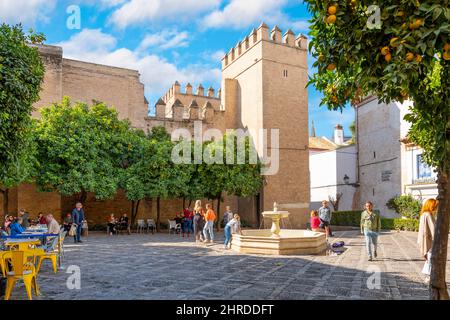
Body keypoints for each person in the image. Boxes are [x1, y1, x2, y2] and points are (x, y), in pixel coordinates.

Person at [417, 198, 438, 282]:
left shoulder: (423, 214)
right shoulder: (428, 215)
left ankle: (428, 275)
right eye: (435, 206)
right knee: (431, 258)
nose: (436, 208)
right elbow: (433, 229)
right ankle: (429, 276)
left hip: (425, 239)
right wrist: (437, 239)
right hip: (429, 240)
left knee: (429, 258)